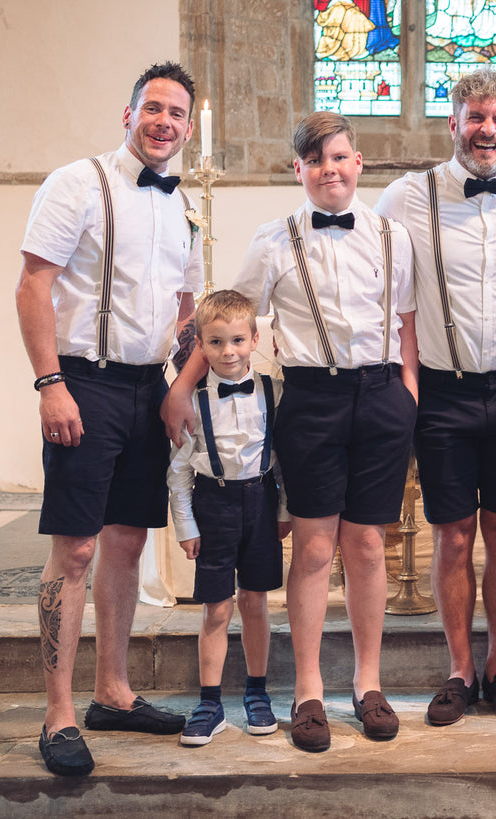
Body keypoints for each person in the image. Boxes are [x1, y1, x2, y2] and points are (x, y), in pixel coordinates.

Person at [166, 111, 417, 753]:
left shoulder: (394, 235)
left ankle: (368, 685)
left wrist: (407, 394)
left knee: (367, 546)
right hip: (311, 400)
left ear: (357, 163)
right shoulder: (273, 239)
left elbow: (407, 321)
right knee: (311, 548)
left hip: (381, 397)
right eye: (315, 161)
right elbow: (228, 318)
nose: (329, 170)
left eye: (339, 157)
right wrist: (183, 386)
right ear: (298, 170)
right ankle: (308, 690)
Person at [16, 61, 202, 777]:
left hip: (146, 388)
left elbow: (185, 310)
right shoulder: (76, 183)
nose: (164, 122)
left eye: (176, 113)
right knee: (76, 550)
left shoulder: (182, 206)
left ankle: (113, 693)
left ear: (188, 128)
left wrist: (181, 385)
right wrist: (50, 384)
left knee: (127, 543)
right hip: (83, 383)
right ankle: (59, 712)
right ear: (128, 115)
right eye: (153, 108)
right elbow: (32, 286)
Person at [375, 68, 496, 727]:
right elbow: (381, 276)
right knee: (451, 536)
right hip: (442, 393)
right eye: (475, 117)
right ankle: (459, 669)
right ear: (452, 123)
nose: (488, 130)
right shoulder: (407, 195)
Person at [166, 290, 293, 747]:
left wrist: (283, 511)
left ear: (255, 339)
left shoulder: (273, 393)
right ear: (201, 346)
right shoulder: (193, 399)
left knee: (255, 602)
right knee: (217, 608)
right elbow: (179, 472)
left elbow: (282, 461)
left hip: (261, 505)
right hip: (213, 507)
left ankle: (257, 693)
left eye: (238, 340)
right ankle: (210, 702)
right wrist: (186, 526)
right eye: (216, 342)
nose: (229, 351)